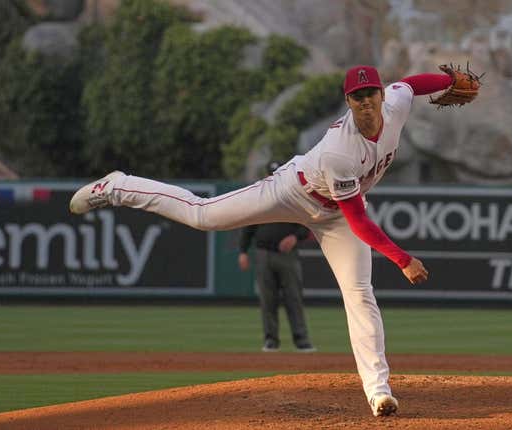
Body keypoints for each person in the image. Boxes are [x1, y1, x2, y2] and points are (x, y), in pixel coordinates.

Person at [70, 64, 460, 417]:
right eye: (357, 97)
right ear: (348, 102)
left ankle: (378, 394)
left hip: (336, 216)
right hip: (296, 191)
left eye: (370, 93)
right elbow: (359, 220)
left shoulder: (396, 105)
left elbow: (410, 83)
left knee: (359, 293)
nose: (366, 102)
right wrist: (401, 258)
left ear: (379, 94)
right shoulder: (340, 151)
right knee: (203, 215)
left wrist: (450, 81)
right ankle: (119, 186)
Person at [238, 161, 315, 353]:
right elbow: (249, 226)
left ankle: (301, 340)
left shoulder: (295, 197)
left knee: (293, 298)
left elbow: (309, 223)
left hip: (287, 255)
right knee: (267, 299)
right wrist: (242, 251)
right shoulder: (260, 198)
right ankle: (271, 340)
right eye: (271, 174)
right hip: (263, 253)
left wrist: (295, 237)